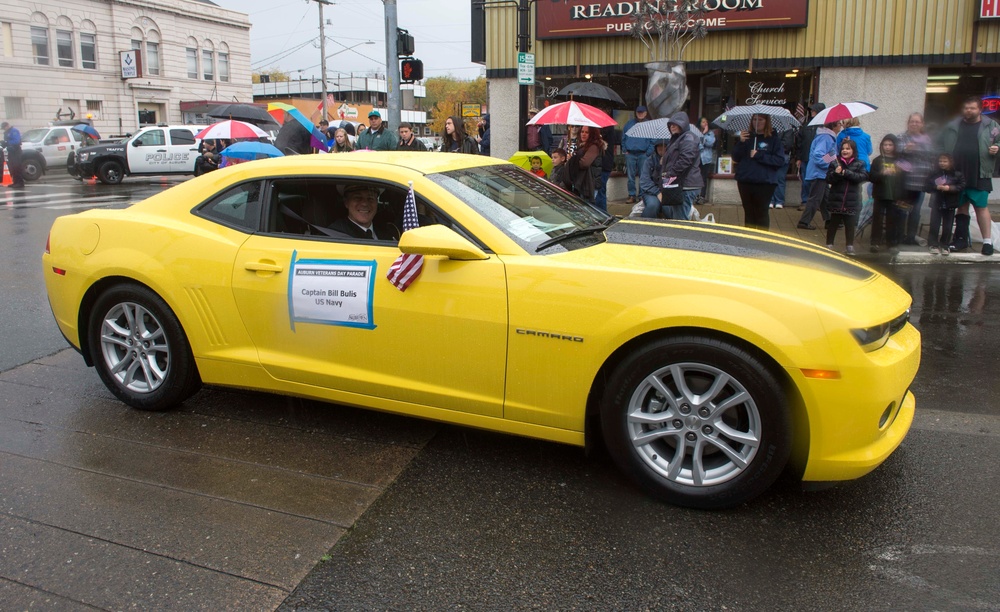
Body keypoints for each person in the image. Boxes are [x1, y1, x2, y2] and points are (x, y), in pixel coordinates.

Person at [938, 96, 1000, 255]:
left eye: (972, 108)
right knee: (961, 206)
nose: (969, 111)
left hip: (980, 173)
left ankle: (987, 242)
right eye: (966, 108)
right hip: (957, 173)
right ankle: (960, 240)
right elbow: (940, 144)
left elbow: (999, 141)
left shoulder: (991, 125)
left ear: (980, 109)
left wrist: (997, 147)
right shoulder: (953, 126)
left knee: (981, 207)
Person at [731, 113, 785, 231]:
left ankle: (762, 240)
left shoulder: (773, 140)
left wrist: (759, 155)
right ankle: (749, 239)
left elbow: (780, 160)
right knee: (748, 212)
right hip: (746, 180)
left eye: (760, 120)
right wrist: (740, 142)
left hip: (764, 182)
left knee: (761, 212)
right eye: (754, 119)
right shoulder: (746, 138)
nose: (757, 122)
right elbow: (735, 157)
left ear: (766, 122)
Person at [825, 139, 869, 255]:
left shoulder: (860, 163)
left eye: (848, 148)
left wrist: (846, 173)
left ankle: (849, 245)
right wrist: (836, 173)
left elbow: (862, 177)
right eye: (843, 148)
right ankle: (829, 244)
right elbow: (828, 178)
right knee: (833, 223)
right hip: (837, 199)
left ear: (853, 151)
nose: (845, 151)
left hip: (851, 200)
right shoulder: (835, 162)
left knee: (850, 224)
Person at [897, 112, 934, 245]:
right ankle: (899, 236)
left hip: (921, 181)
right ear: (908, 123)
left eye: (917, 122)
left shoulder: (926, 139)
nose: (914, 124)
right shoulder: (901, 137)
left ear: (922, 124)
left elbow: (931, 157)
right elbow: (895, 153)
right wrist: (906, 149)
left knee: (915, 211)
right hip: (905, 182)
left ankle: (911, 237)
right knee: (902, 210)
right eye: (912, 121)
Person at [797, 119, 842, 229]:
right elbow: (818, 156)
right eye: (840, 123)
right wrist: (830, 163)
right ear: (834, 125)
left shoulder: (827, 137)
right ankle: (804, 222)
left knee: (825, 197)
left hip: (822, 173)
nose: (841, 125)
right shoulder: (826, 138)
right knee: (815, 198)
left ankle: (829, 220)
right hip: (819, 173)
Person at [660, 112, 703, 221]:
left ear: (683, 125)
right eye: (670, 125)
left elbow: (685, 159)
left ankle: (680, 237)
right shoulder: (678, 139)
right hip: (680, 184)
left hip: (686, 184)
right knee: (678, 217)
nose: (672, 126)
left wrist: (670, 174)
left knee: (680, 220)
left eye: (675, 124)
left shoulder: (687, 137)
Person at [868, 134, 906, 252]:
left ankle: (891, 243)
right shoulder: (877, 160)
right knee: (877, 219)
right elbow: (872, 177)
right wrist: (882, 173)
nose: (887, 147)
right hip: (880, 194)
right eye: (885, 144)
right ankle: (875, 242)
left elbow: (903, 180)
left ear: (895, 146)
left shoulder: (899, 161)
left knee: (892, 220)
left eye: (890, 145)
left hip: (894, 195)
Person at [924, 153, 966, 255]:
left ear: (950, 162)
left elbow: (961, 186)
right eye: (940, 161)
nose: (942, 163)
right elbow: (926, 186)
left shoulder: (957, 174)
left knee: (948, 226)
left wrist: (950, 188)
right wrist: (936, 187)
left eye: (945, 161)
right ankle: (933, 244)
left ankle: (945, 245)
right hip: (936, 203)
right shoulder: (934, 173)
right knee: (934, 225)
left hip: (950, 204)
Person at [329, 185, 401, 240]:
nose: (364, 203)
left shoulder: (386, 233)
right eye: (357, 198)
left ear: (377, 203)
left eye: (370, 198)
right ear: (346, 203)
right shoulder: (333, 235)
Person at [793, 102, 826, 208]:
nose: (812, 112)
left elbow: (831, 150)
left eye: (814, 110)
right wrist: (798, 157)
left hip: (821, 160)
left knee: (820, 183)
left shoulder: (826, 126)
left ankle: (820, 204)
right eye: (811, 110)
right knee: (806, 181)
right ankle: (805, 201)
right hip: (806, 158)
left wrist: (828, 159)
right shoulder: (806, 125)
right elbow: (799, 142)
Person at [564, 125, 604, 204]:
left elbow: (584, 163)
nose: (583, 134)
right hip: (582, 183)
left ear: (592, 134)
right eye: (582, 132)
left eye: (587, 132)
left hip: (589, 184)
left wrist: (573, 160)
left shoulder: (593, 147)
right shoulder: (582, 146)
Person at [622, 106, 653, 204]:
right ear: (636, 113)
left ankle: (641, 196)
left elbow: (653, 140)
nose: (640, 114)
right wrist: (624, 150)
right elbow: (623, 137)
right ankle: (632, 195)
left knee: (643, 176)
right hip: (630, 154)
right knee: (630, 177)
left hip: (643, 154)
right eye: (638, 112)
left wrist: (648, 152)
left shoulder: (649, 125)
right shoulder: (629, 124)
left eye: (642, 112)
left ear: (645, 113)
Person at [638, 141, 669, 218]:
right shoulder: (649, 161)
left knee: (669, 208)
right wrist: (657, 192)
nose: (662, 149)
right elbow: (644, 181)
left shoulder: (673, 161)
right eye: (659, 147)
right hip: (651, 192)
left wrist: (664, 167)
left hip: (668, 191)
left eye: (664, 146)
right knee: (653, 205)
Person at [595, 115, 619, 212]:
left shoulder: (607, 129)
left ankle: (602, 213)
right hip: (602, 164)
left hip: (604, 164)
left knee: (600, 191)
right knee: (600, 191)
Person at [770, 124, 796, 209]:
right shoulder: (770, 128)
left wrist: (775, 147)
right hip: (771, 156)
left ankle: (779, 201)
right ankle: (770, 200)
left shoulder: (788, 128)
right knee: (770, 178)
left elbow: (787, 144)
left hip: (782, 156)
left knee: (780, 178)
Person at [697, 117, 717, 204]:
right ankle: (696, 196)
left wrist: (704, 135)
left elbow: (710, 143)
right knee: (696, 177)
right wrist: (702, 138)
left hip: (706, 159)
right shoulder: (696, 133)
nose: (705, 123)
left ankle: (702, 196)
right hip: (697, 158)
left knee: (703, 177)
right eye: (703, 122)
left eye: (706, 122)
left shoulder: (710, 134)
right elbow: (697, 145)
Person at [1, 121, 26, 188]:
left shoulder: (14, 131)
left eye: (4, 127)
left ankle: (20, 183)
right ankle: (15, 182)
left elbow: (16, 141)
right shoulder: (7, 132)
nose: (4, 129)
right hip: (11, 151)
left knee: (17, 167)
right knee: (12, 167)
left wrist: (7, 142)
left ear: (7, 126)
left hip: (16, 151)